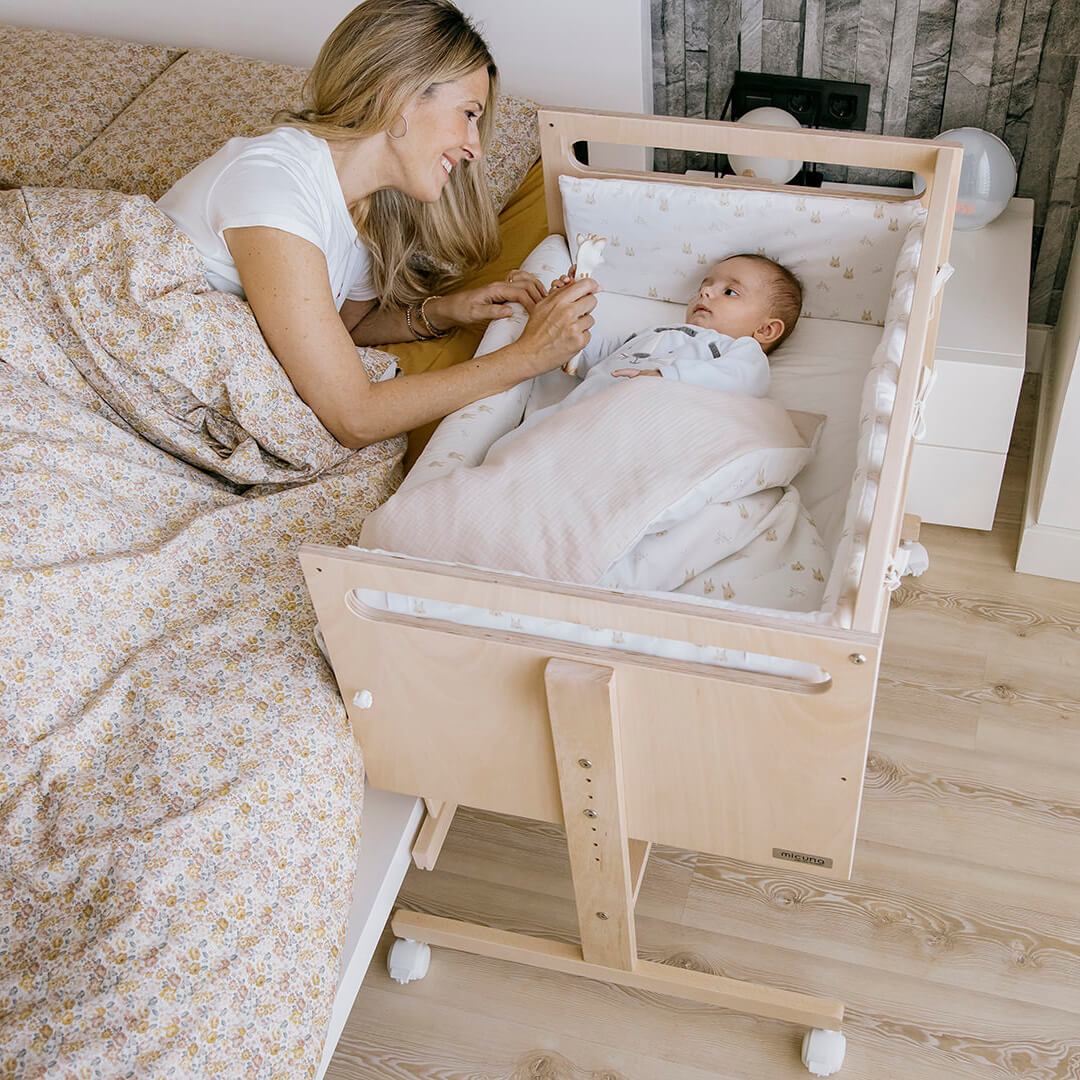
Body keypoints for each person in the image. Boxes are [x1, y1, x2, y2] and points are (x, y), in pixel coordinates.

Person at [157, 0, 597, 450]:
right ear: (396, 94)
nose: (474, 148)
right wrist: (528, 356)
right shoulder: (274, 185)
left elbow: (340, 329)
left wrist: (445, 311)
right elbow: (355, 418)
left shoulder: (362, 209)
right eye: (468, 114)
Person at [499, 253, 802, 443]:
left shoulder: (739, 350)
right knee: (528, 441)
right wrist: (565, 313)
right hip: (583, 412)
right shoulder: (651, 333)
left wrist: (665, 377)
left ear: (765, 330)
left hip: (645, 423)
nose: (706, 292)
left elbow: (746, 379)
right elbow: (591, 355)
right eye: (704, 286)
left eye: (730, 292)